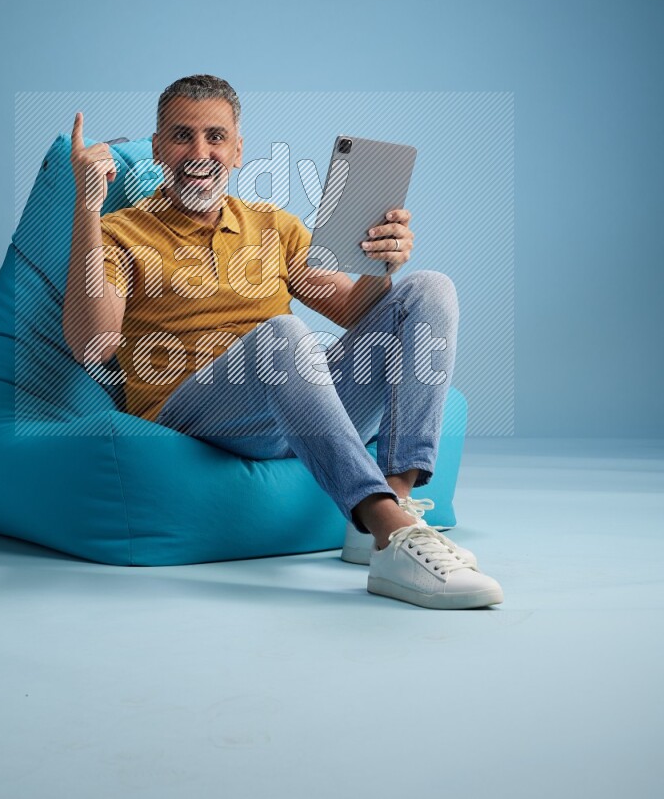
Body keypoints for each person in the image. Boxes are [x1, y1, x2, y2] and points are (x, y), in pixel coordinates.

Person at [62, 74, 503, 610]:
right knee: (285, 334)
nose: (199, 153)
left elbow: (353, 309)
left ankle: (393, 507)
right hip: (199, 413)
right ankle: (388, 528)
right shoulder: (120, 232)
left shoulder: (271, 226)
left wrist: (382, 266)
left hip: (297, 401)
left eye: (215, 137)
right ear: (157, 148)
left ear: (238, 151)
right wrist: (87, 207)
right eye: (181, 136)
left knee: (430, 289)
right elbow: (92, 344)